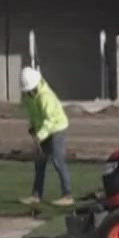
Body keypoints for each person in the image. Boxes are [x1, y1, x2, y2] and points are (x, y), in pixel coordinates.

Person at [20, 65, 74, 206]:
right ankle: (36, 195)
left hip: (57, 129)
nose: (29, 92)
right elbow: (34, 113)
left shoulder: (45, 97)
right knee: (39, 163)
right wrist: (32, 127)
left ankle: (67, 195)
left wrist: (41, 134)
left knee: (58, 161)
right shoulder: (28, 97)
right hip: (43, 130)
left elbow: (50, 119)